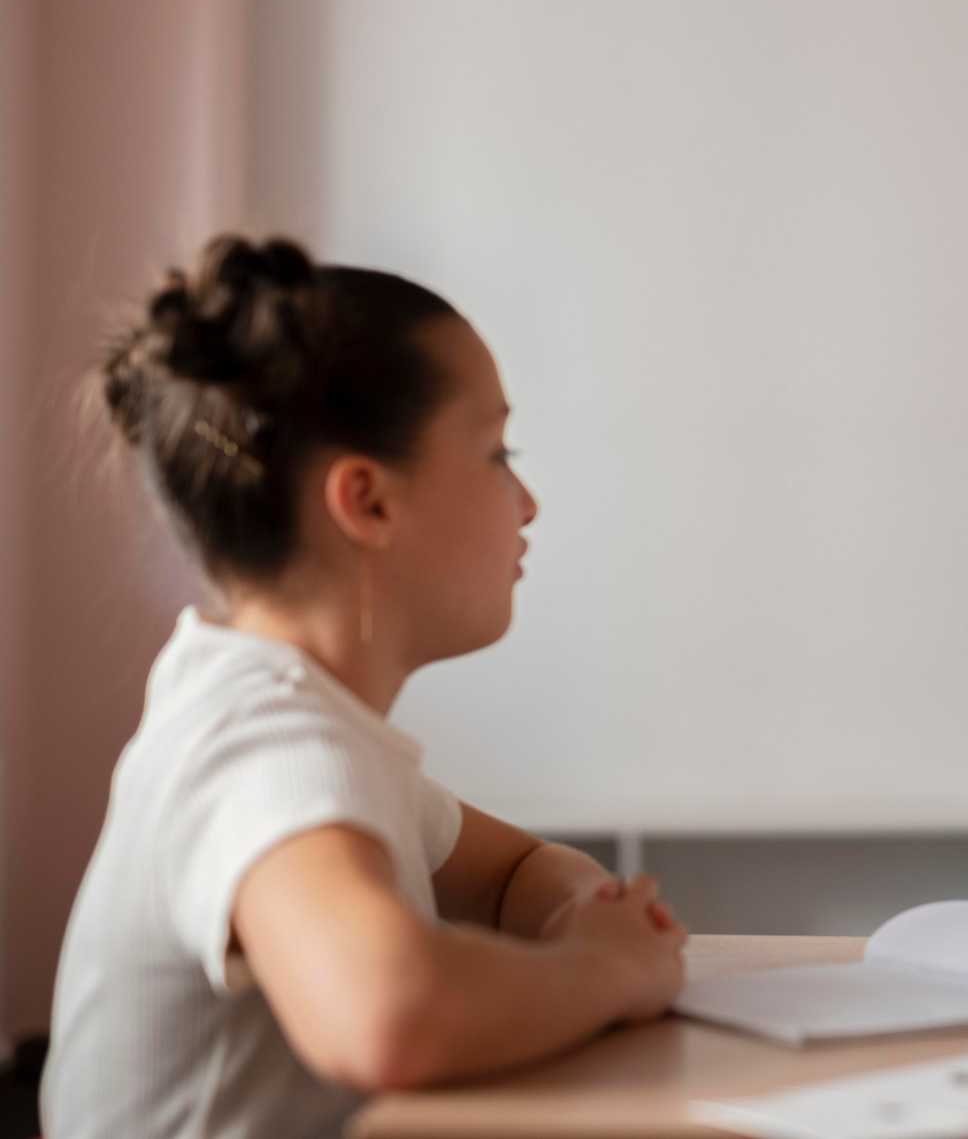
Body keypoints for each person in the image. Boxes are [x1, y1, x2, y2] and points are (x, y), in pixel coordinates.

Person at [42, 236, 688, 1137]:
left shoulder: (311, 732)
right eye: (500, 453)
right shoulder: (258, 745)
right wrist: (608, 970)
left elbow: (515, 873)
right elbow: (387, 1013)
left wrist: (588, 914)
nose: (528, 503)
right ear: (368, 501)